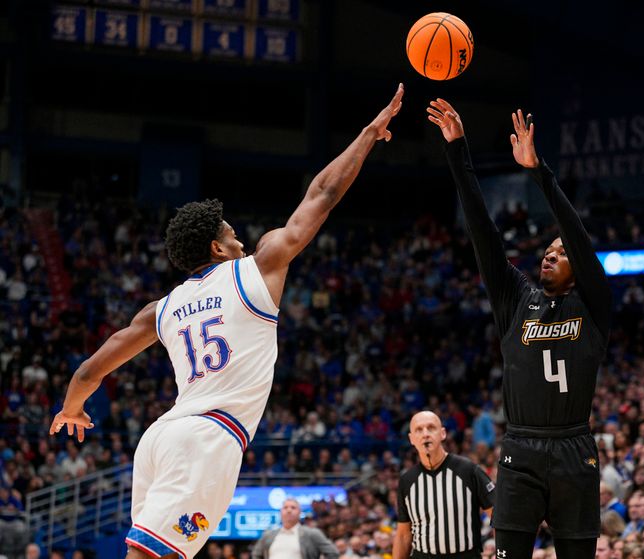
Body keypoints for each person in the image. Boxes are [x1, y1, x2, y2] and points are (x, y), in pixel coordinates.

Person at [49, 84, 405, 559]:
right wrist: (366, 135)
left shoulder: (163, 308)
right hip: (208, 436)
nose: (240, 240)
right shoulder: (258, 269)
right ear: (218, 248)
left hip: (161, 437)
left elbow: (88, 372)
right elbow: (321, 193)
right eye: (233, 235)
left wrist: (72, 409)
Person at [427, 99, 611, 559]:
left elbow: (578, 234)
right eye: (548, 250)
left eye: (561, 252)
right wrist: (457, 151)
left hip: (573, 445)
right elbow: (483, 232)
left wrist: (538, 172)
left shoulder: (592, 303)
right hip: (521, 448)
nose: (551, 254)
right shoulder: (516, 298)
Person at [392, 410, 495, 559]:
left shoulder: (469, 470)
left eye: (431, 428)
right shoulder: (407, 481)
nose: (425, 434)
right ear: (411, 439)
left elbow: (498, 517)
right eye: (419, 430)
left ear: (443, 434)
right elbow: (403, 535)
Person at [251, 498, 339, 559]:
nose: (289, 510)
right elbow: (256, 555)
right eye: (285, 507)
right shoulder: (268, 535)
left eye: (293, 507)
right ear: (280, 512)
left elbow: (333, 553)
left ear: (300, 512)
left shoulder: (312, 534)